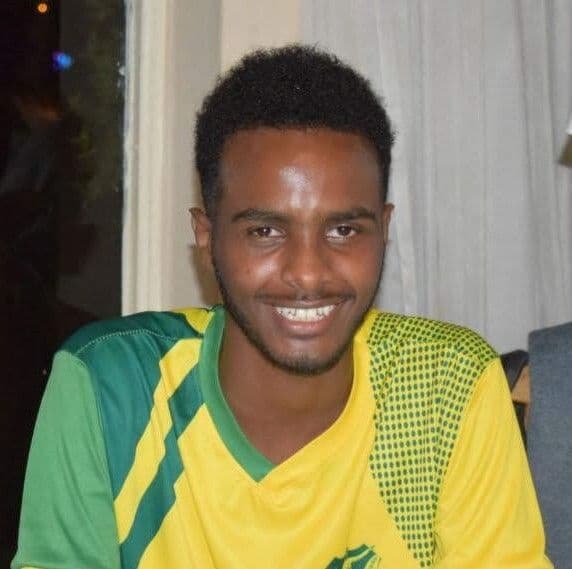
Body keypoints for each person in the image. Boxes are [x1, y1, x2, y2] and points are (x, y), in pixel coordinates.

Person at [12, 45, 551, 569]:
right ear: (206, 236)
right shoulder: (112, 389)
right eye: (266, 230)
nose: (308, 272)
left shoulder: (445, 386)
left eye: (343, 229)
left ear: (383, 231)